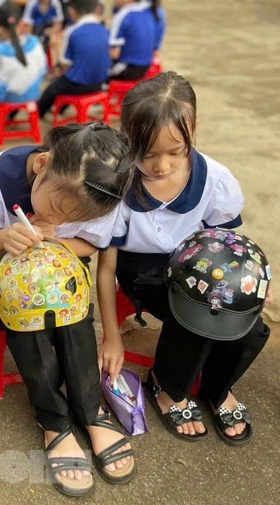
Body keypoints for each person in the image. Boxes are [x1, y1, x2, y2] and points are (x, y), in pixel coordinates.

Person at [96, 71, 272, 445]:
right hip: (143, 269)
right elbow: (106, 265)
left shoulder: (215, 179)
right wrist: (111, 335)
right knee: (194, 315)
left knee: (250, 324)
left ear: (194, 128)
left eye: (176, 152)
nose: (162, 166)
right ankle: (168, 385)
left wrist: (248, 284)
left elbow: (229, 244)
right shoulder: (119, 186)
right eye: (148, 154)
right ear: (127, 137)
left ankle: (218, 387)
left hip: (201, 263)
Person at [0, 122, 136, 496]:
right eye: (56, 206)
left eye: (71, 216)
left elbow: (92, 246)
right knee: (29, 316)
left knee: (71, 310)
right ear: (42, 163)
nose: (56, 218)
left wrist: (60, 240)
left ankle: (90, 410)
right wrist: (6, 237)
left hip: (64, 256)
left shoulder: (103, 193)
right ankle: (55, 419)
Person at [37, 0, 109, 118]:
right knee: (65, 81)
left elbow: (65, 64)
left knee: (53, 88)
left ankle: (38, 114)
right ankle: (58, 110)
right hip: (100, 83)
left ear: (72, 11)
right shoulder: (104, 28)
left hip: (79, 85)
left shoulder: (73, 31)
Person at [0, 2, 47, 105]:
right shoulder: (35, 43)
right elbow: (44, 68)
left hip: (11, 97)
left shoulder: (1, 51)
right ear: (22, 23)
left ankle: (0, 118)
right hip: (34, 94)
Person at [108, 0, 159, 81]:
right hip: (146, 65)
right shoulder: (148, 10)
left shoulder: (123, 15)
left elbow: (114, 54)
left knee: (97, 72)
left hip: (128, 68)